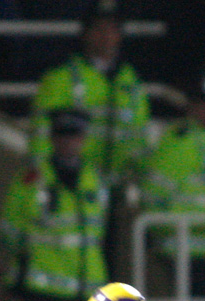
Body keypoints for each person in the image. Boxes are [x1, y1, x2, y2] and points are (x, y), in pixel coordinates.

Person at [0, 109, 108, 301]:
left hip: (85, 288)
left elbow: (99, 231)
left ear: (83, 138)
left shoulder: (95, 179)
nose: (68, 142)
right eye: (62, 135)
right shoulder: (32, 178)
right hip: (41, 291)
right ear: (52, 138)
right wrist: (26, 259)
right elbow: (10, 227)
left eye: (74, 136)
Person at [140, 67, 205, 300]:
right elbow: (153, 195)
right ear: (191, 107)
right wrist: (168, 232)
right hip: (186, 250)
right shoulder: (179, 142)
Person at [30, 0, 150, 186]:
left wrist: (139, 180)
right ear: (85, 34)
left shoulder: (131, 81)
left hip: (118, 187)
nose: (106, 36)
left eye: (113, 29)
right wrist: (48, 181)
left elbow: (139, 138)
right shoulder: (61, 77)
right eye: (99, 29)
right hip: (74, 186)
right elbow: (41, 137)